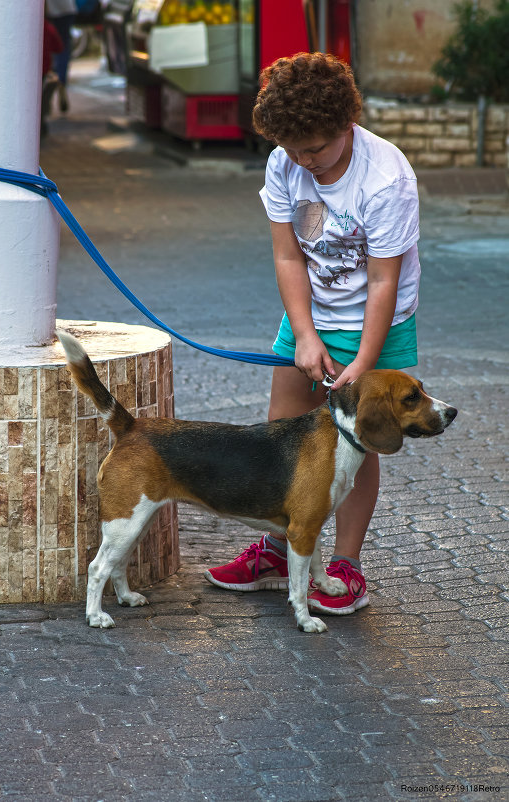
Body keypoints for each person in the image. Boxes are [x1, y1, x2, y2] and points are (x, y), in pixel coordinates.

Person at [204, 52, 420, 615]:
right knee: (283, 432)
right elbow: (288, 255)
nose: (304, 161)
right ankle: (281, 550)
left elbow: (381, 279)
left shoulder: (386, 178)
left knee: (360, 438)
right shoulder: (286, 161)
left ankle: (346, 565)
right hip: (313, 311)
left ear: (347, 124)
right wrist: (304, 334)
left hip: (377, 318)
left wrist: (363, 363)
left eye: (316, 150)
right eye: (293, 150)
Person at [45, 0, 78, 113]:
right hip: (66, 8)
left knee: (46, 46)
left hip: (50, 10)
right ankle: (61, 82)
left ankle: (46, 95)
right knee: (62, 49)